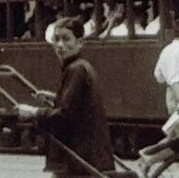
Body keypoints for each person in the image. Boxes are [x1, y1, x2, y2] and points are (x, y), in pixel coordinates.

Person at [15, 18, 115, 176]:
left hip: (80, 157)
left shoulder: (76, 70)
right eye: (56, 39)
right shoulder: (81, 66)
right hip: (89, 155)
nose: (60, 45)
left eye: (66, 39)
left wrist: (34, 112)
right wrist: (56, 98)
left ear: (80, 42)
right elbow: (80, 104)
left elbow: (65, 115)